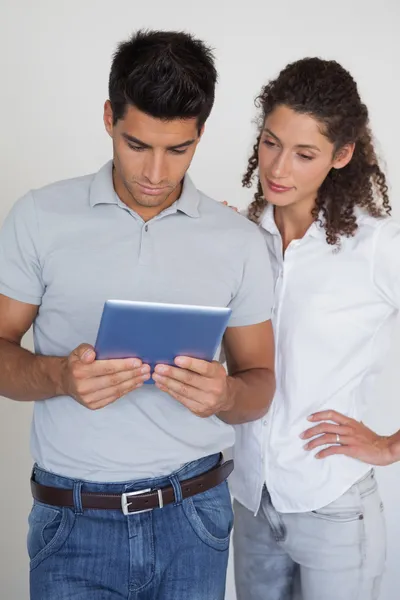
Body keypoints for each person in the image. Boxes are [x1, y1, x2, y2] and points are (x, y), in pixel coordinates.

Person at [0, 30, 275, 600]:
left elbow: (260, 385)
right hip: (71, 521)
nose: (155, 172)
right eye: (137, 145)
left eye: (179, 150)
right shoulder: (38, 217)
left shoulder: (238, 241)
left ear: (201, 134)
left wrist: (224, 395)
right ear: (108, 118)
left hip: (193, 519)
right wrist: (58, 377)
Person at [230, 57, 398, 600]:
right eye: (271, 143)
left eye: (305, 154)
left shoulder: (375, 248)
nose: (279, 168)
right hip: (250, 499)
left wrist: (391, 445)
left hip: (333, 509)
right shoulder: (239, 237)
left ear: (341, 155)